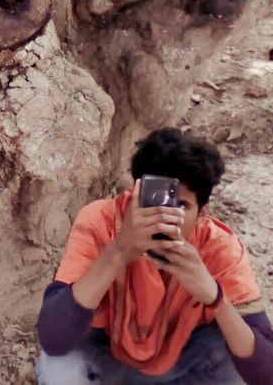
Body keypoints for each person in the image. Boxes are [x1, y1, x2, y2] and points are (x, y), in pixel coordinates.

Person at [36, 128, 273, 384]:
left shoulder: (219, 247)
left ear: (202, 213)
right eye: (155, 202)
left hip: (184, 365)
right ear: (134, 194)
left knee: (236, 344)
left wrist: (214, 297)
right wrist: (117, 252)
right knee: (60, 367)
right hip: (107, 358)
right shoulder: (102, 221)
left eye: (181, 206)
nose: (165, 217)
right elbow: (53, 340)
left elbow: (266, 372)